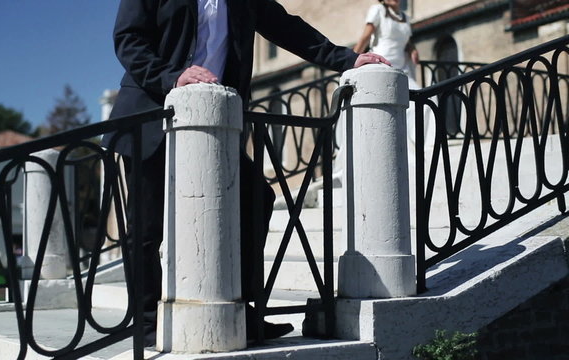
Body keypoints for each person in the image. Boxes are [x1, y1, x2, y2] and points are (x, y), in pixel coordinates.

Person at [102, 0, 390, 346]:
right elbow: (128, 39)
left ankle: (244, 314)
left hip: (215, 121)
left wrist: (347, 59)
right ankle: (147, 324)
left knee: (256, 199)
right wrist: (172, 76)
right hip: (151, 115)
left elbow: (287, 28)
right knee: (146, 227)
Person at [353, 0, 435, 147]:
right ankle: (401, 143)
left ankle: (422, 144)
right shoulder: (377, 10)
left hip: (402, 69)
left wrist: (413, 50)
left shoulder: (405, 17)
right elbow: (365, 37)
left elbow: (406, 41)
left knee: (426, 102)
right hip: (381, 66)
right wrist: (351, 59)